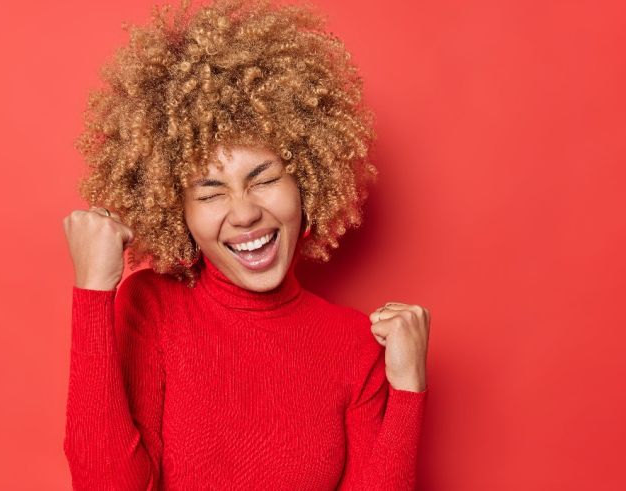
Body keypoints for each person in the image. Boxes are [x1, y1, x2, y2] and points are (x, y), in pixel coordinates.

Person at [61, 0, 431, 489]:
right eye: (210, 192)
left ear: (306, 179)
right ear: (178, 211)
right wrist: (93, 294)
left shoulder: (355, 344)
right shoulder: (151, 307)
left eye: (264, 178)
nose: (243, 212)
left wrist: (409, 391)